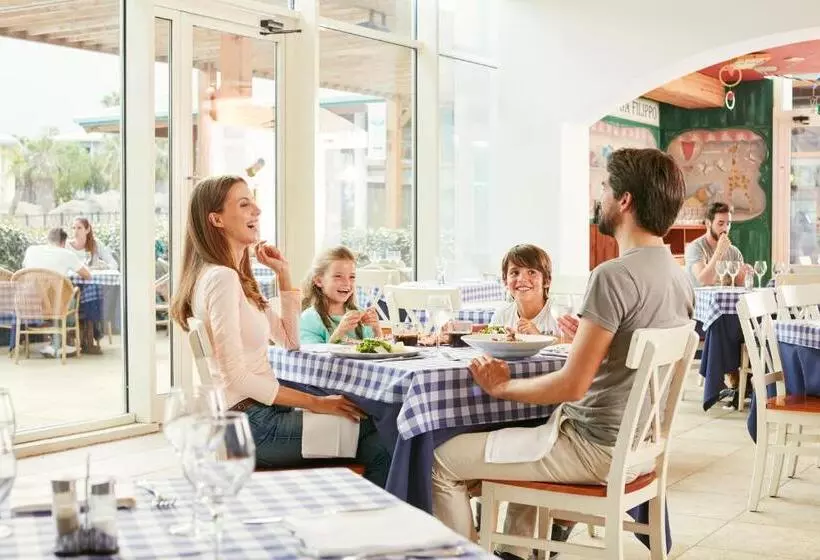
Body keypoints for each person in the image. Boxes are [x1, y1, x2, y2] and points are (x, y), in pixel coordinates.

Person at [431, 148, 694, 559]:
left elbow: (572, 385)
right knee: (528, 434)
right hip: (638, 450)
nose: (599, 197)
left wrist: (502, 387)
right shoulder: (680, 278)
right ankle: (515, 552)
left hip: (592, 448)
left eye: (604, 188)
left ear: (625, 200)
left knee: (440, 461)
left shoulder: (612, 275)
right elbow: (628, 361)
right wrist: (586, 344)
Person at [170, 175, 390, 486]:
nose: (257, 210)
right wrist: (316, 402)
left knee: (370, 437)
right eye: (244, 204)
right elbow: (237, 378)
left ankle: (347, 509)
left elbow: (289, 340)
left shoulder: (234, 278)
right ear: (216, 219)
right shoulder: (222, 279)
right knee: (379, 435)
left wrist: (283, 274)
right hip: (251, 425)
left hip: (256, 415)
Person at [300, 246, 382, 344]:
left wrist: (377, 329)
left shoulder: (361, 314)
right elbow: (313, 353)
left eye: (352, 277)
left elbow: (376, 349)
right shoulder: (309, 319)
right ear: (318, 281)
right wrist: (339, 332)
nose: (347, 283)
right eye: (338, 276)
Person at [490, 244, 558, 335]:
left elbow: (572, 342)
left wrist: (538, 336)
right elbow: (490, 340)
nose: (522, 279)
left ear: (547, 280)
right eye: (515, 272)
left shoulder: (559, 314)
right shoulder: (502, 315)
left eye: (531, 272)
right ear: (505, 281)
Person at [684, 202, 751, 287]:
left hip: (726, 296)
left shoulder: (734, 252)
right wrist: (719, 251)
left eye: (728, 224)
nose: (725, 228)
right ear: (708, 223)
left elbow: (740, 285)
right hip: (700, 296)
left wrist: (744, 275)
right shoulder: (695, 248)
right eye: (720, 224)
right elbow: (704, 281)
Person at [22, 228, 91, 280]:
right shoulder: (67, 254)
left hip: (30, 294)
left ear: (48, 239)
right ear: (63, 242)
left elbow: (24, 269)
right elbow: (88, 276)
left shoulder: (31, 249)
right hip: (56, 295)